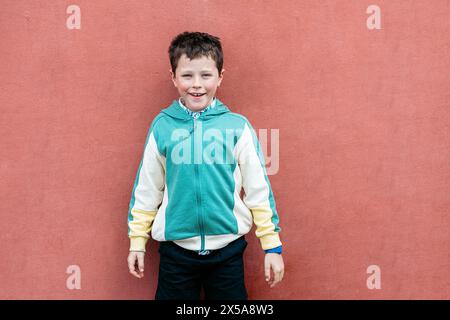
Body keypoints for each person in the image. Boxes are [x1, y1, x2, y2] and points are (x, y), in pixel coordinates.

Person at [127, 31, 284, 300]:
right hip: (176, 254)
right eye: (187, 75)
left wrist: (272, 247)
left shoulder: (237, 127)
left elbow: (259, 190)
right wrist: (137, 242)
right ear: (173, 77)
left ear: (220, 76)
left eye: (206, 75)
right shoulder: (162, 126)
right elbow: (147, 189)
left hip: (228, 252)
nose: (196, 84)